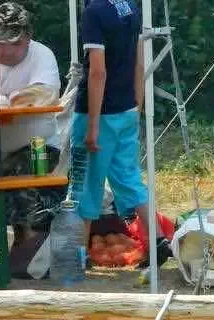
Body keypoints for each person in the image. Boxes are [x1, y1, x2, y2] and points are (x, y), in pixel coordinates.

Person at [74, 0, 150, 257]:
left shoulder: (93, 12)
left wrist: (92, 126)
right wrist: (137, 105)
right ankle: (157, 241)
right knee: (130, 179)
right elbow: (139, 64)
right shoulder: (130, 6)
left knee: (86, 183)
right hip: (127, 108)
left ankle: (79, 257)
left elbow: (98, 72)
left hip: (99, 113)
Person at [0, 2, 66, 241]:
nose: (5, 51)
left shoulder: (42, 55)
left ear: (28, 37)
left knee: (15, 180)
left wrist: (2, 99)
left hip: (39, 147)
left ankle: (28, 247)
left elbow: (43, 95)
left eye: (13, 43)